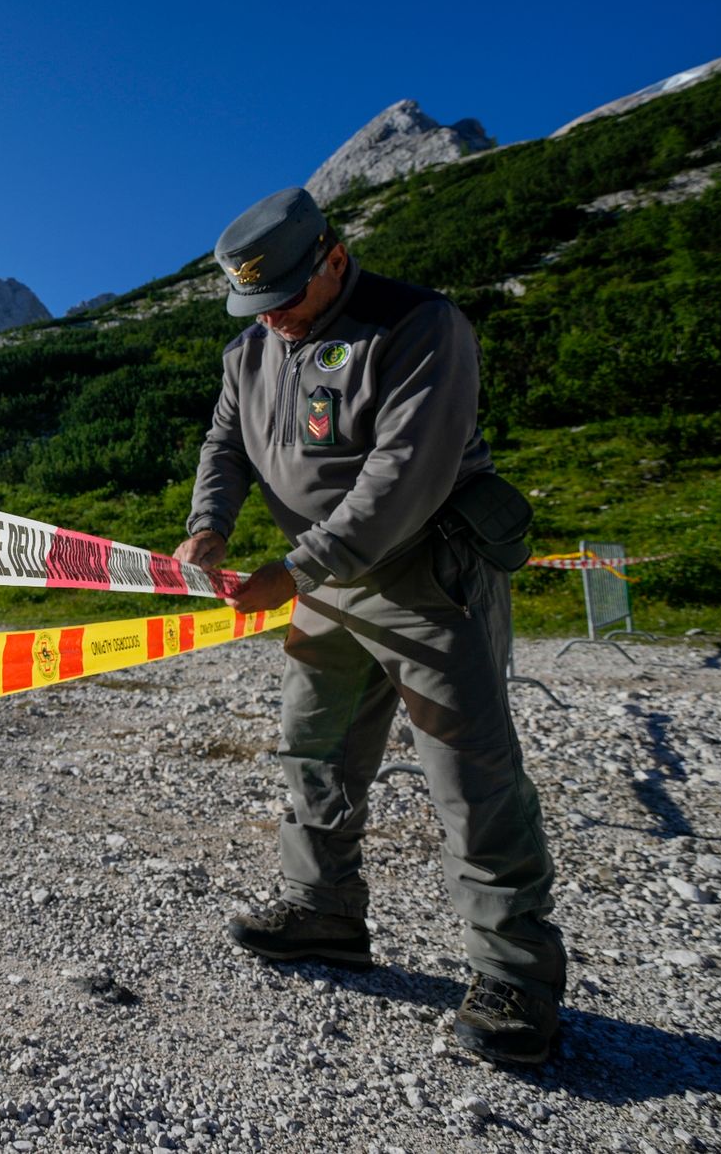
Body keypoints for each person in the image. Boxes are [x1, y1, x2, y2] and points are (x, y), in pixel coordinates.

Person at [172, 185, 566, 1065]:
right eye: (255, 303)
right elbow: (225, 445)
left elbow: (404, 475)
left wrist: (295, 569)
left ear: (335, 258)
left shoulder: (419, 325)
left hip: (428, 575)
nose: (273, 318)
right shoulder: (250, 351)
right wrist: (210, 524)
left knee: (470, 773)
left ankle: (517, 976)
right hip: (323, 585)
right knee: (313, 747)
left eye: (286, 297)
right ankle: (324, 910)